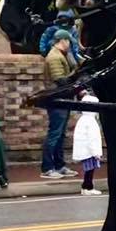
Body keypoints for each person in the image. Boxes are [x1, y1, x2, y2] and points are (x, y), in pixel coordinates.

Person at [40, 29, 77, 178]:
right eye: (68, 41)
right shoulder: (54, 57)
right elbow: (60, 80)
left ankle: (59, 165)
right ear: (63, 41)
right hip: (57, 99)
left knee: (60, 134)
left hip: (62, 99)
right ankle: (47, 168)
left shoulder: (62, 55)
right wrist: (77, 73)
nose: (69, 45)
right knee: (54, 134)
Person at [72, 89, 103, 195]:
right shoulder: (90, 121)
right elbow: (92, 139)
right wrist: (96, 153)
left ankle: (87, 186)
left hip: (85, 150)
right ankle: (87, 187)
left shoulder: (83, 119)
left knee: (88, 170)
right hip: (89, 151)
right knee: (90, 170)